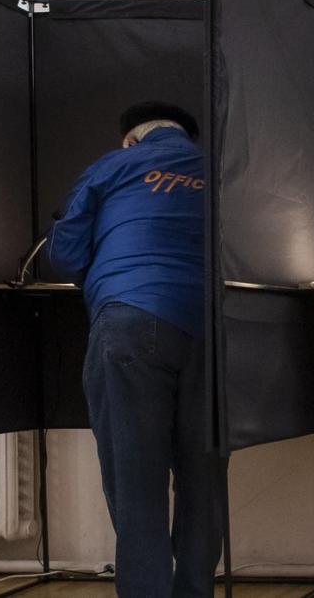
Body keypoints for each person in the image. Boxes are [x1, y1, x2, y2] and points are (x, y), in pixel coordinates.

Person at [48, 102, 220, 597]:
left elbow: (64, 252)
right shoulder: (220, 170)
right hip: (211, 330)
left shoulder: (113, 165)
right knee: (202, 483)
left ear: (131, 139)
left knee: (137, 480)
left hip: (129, 321)